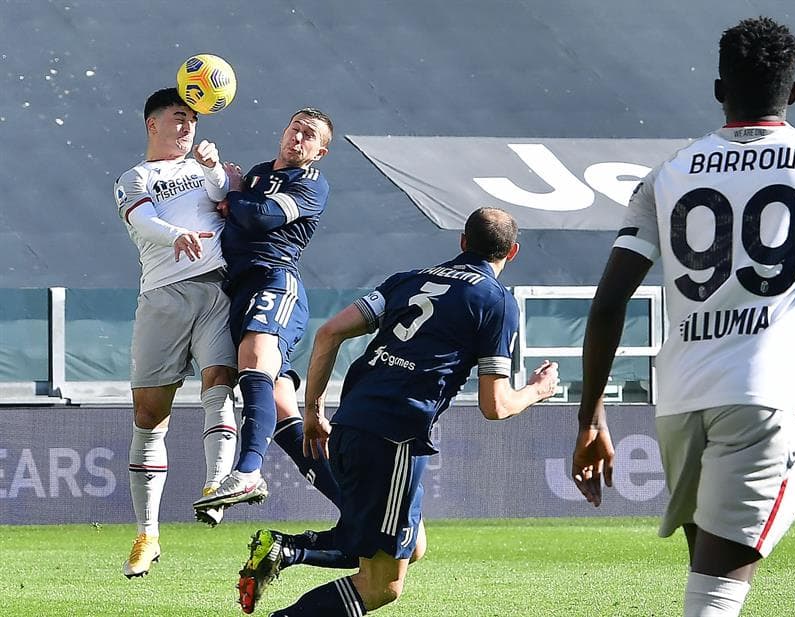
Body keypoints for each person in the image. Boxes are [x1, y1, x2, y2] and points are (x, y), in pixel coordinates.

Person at [571, 17, 795, 617]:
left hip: (680, 399)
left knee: (710, 574)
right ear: (793, 93)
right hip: (763, 394)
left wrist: (590, 414)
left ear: (718, 90)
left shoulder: (669, 173)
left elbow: (608, 304)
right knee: (715, 593)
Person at [235, 206, 560, 616]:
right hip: (396, 437)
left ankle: (287, 549)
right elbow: (495, 406)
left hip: (351, 420)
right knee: (382, 585)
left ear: (462, 242)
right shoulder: (496, 301)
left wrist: (315, 410)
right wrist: (536, 390)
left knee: (410, 545)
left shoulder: (409, 280)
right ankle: (287, 567)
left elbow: (329, 332)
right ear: (512, 252)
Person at [114, 88, 238, 578]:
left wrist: (215, 169)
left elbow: (228, 195)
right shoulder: (135, 177)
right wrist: (174, 233)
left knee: (219, 383)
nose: (188, 128)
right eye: (179, 117)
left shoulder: (206, 167)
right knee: (149, 416)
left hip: (215, 290)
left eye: (193, 120)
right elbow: (142, 219)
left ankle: (215, 486)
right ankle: (148, 533)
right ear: (152, 124)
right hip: (163, 296)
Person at [192, 108, 334, 514]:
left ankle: (249, 469)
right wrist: (233, 192)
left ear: (319, 152)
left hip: (275, 281)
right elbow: (234, 210)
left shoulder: (311, 183)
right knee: (278, 399)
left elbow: (260, 216)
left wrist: (236, 194)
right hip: (240, 289)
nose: (298, 138)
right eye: (295, 128)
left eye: (309, 136)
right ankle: (354, 507)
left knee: (254, 362)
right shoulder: (257, 173)